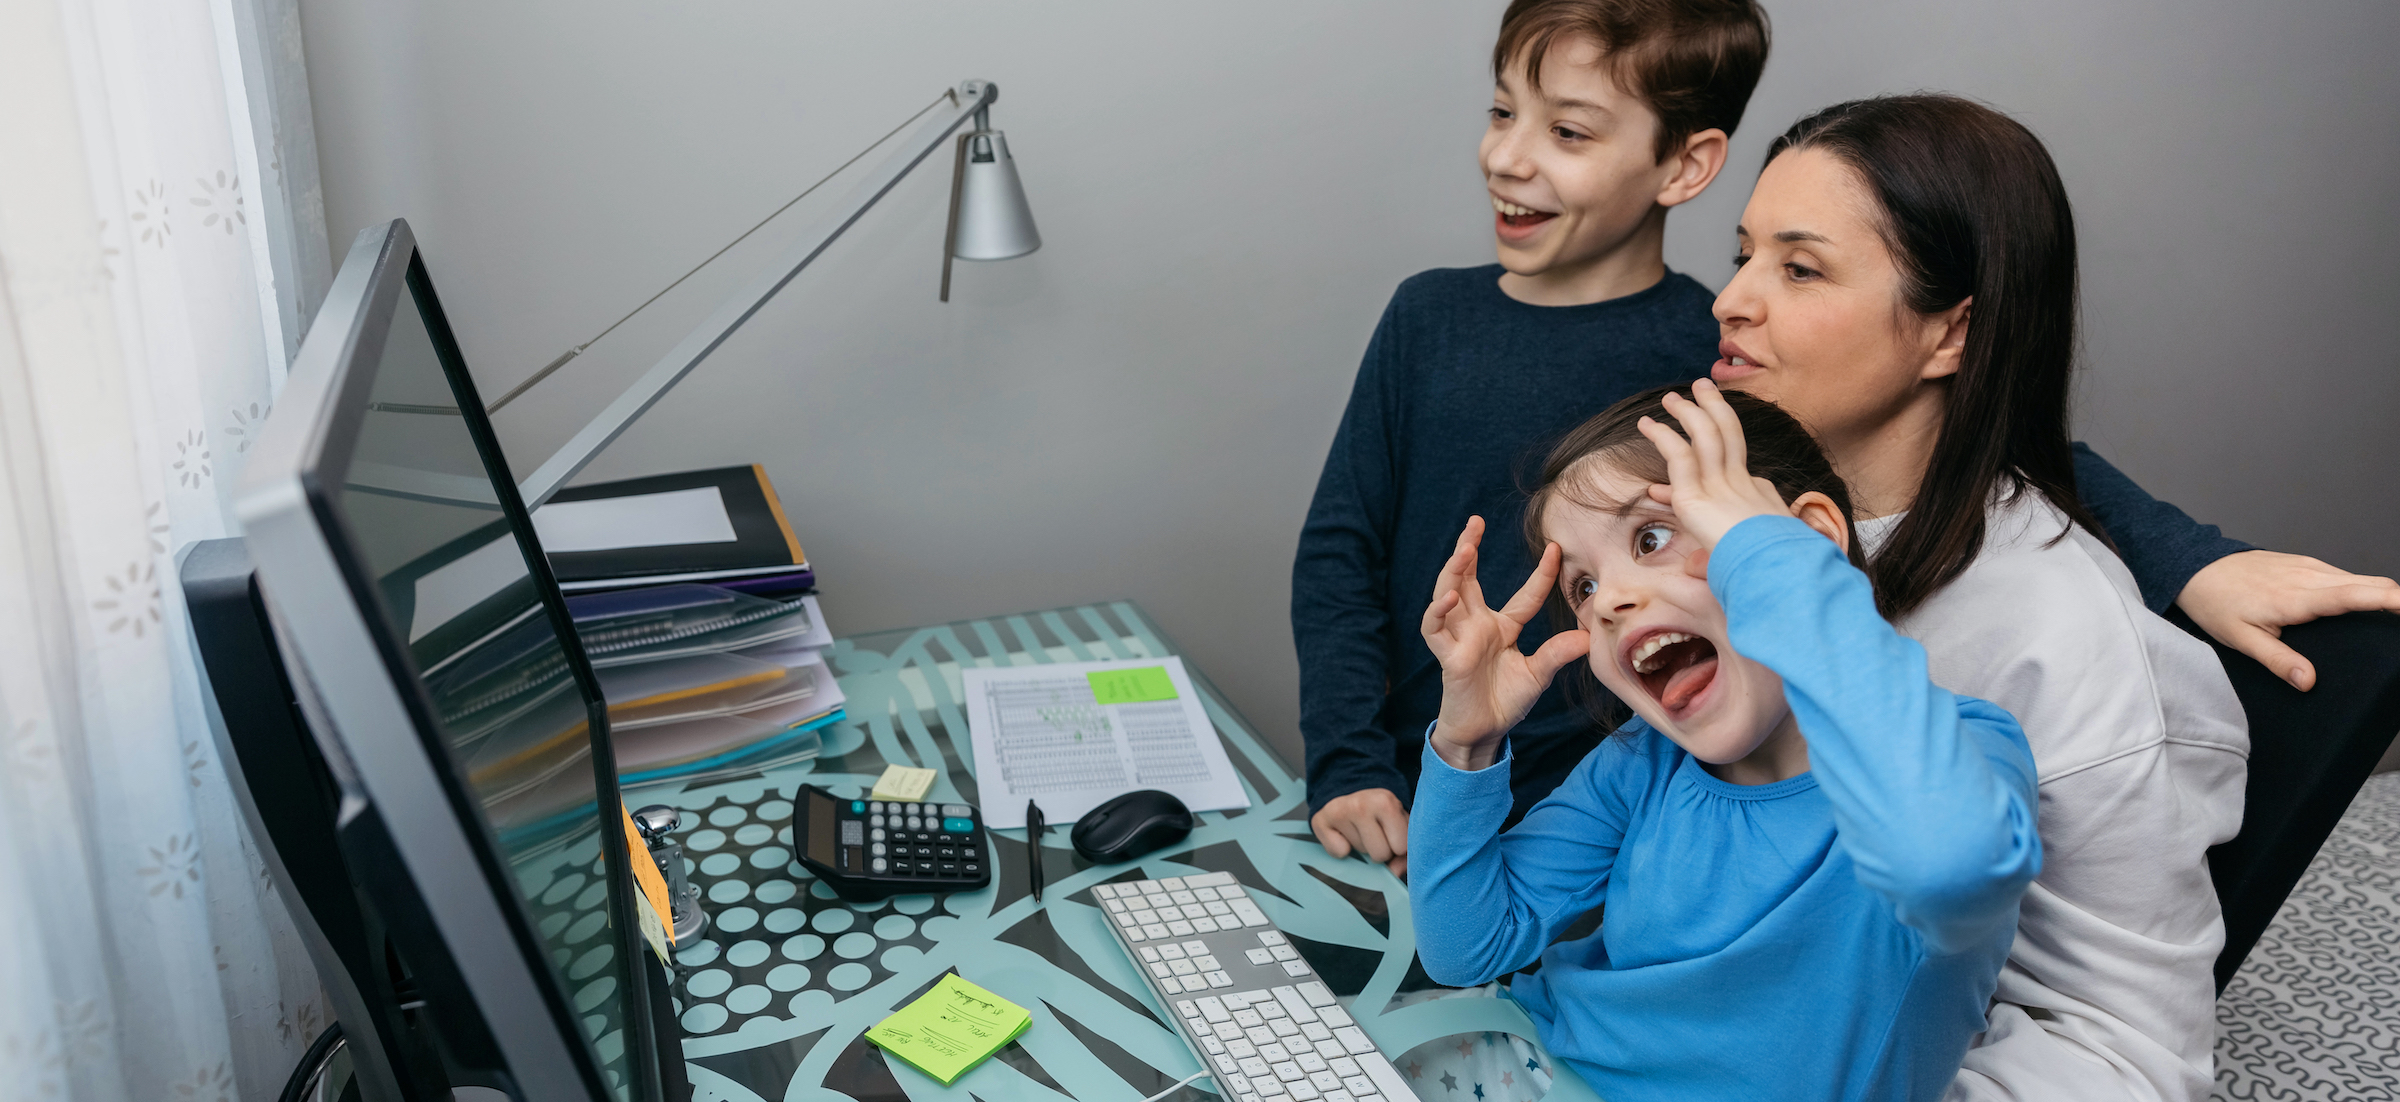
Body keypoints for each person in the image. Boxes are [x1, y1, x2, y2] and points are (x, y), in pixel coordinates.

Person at [1291, 0, 2382, 881]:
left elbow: (1986, 440)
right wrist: (1351, 760)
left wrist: (2192, 559)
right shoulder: (1433, 313)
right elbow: (1338, 548)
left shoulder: (1711, 354)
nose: (1510, 159)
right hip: (1420, 776)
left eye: (1568, 131)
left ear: (1682, 165)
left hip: (1596, 808)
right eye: (1502, 114)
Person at [1709, 94, 2398, 1101]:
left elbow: (2126, 1057)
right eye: (1743, 254)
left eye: (1798, 267)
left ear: (1951, 334)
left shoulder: (2066, 638)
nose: (1731, 298)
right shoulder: (1751, 521)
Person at [1410, 380, 2041, 1102]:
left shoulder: (1959, 752)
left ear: (1801, 543)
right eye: (1583, 587)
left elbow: (1950, 868)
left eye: (1651, 537)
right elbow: (1467, 946)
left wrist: (1783, 565)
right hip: (1518, 1056)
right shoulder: (1639, 764)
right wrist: (1466, 742)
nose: (1609, 601)